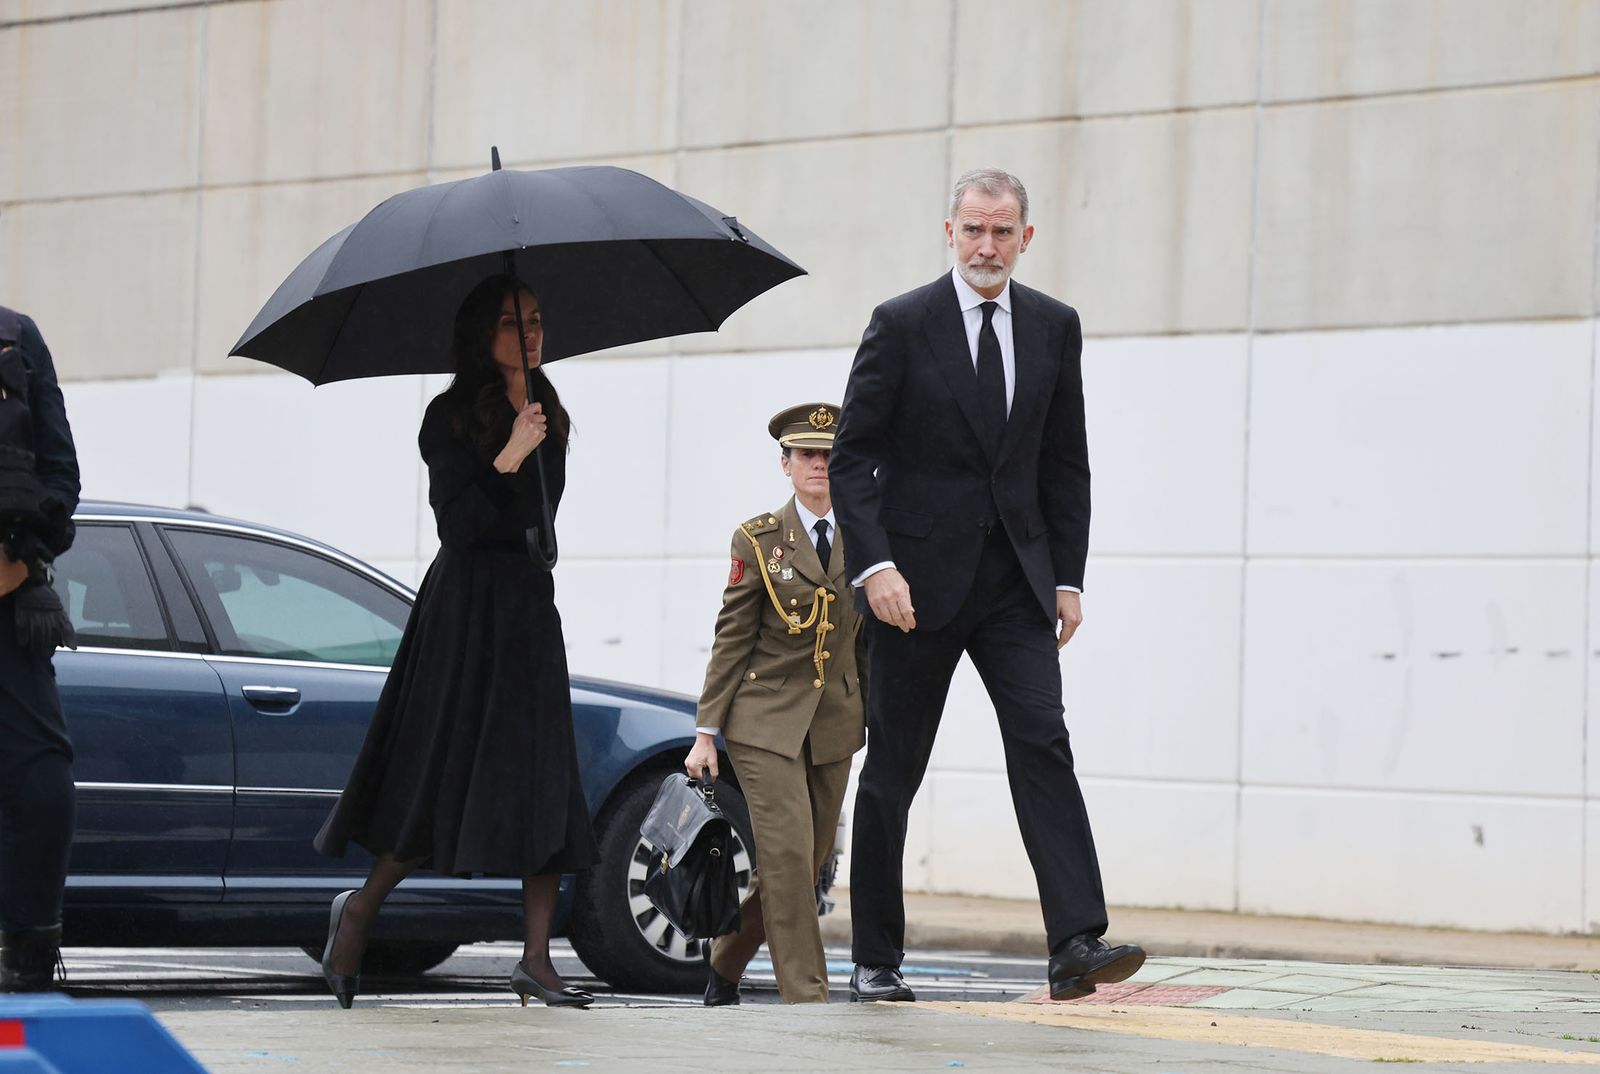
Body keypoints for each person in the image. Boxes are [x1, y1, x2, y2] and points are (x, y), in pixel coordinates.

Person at [829, 169, 1145, 1003]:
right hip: (913, 590)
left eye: (1003, 233)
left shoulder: (1053, 327)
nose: (986, 246)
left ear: (1026, 240)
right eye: (973, 230)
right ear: (949, 231)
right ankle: (875, 958)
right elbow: (852, 458)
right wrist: (875, 567)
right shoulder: (900, 325)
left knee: (1043, 740)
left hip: (1016, 583)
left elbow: (1065, 461)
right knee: (895, 769)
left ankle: (1077, 941)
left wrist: (1067, 578)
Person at [313, 274, 598, 1009]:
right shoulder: (448, 417)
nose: (529, 333)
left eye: (537, 320)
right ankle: (361, 910)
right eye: (512, 322)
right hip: (466, 610)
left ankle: (537, 958)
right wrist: (509, 453)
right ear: (482, 332)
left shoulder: (548, 409)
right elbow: (461, 524)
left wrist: (532, 444)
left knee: (543, 777)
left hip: (530, 609)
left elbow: (539, 519)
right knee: (439, 769)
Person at [683, 402, 866, 1005]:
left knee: (801, 865)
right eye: (807, 455)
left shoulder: (868, 535)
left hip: (834, 723)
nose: (820, 464)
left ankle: (723, 967)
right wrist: (706, 732)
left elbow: (866, 641)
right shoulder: (759, 539)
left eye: (829, 454)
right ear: (785, 464)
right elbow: (731, 636)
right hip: (764, 721)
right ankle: (808, 1003)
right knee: (787, 859)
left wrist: (872, 716)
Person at [0, 305, 80, 993]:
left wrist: (24, 556)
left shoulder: (16, 337)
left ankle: (28, 951)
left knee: (40, 774)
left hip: (10, 596)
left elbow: (61, 474)